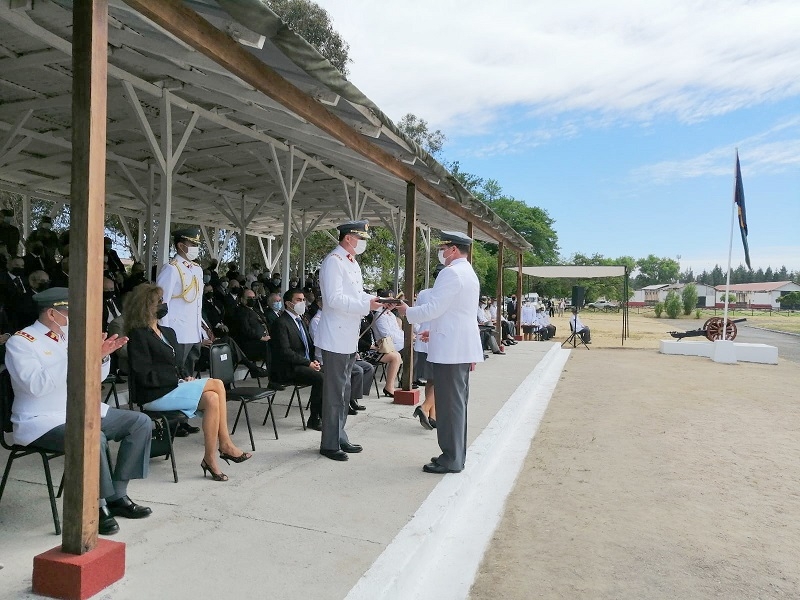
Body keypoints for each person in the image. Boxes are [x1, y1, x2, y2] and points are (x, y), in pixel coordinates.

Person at [5, 287, 151, 535]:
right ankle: (97, 505)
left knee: (140, 423)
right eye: (69, 312)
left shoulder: (71, 336)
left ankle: (117, 495)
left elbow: (96, 377)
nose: (75, 318)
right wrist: (78, 357)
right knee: (94, 437)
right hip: (41, 421)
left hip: (80, 410)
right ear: (52, 313)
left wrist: (101, 358)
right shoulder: (21, 341)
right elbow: (36, 385)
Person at [125, 284, 252, 482]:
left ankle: (210, 459)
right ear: (145, 306)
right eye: (158, 302)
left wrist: (186, 377)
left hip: (174, 388)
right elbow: (143, 374)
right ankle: (225, 444)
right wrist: (177, 381)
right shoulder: (138, 335)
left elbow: (177, 365)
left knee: (211, 398)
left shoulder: (168, 332)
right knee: (217, 384)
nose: (163, 304)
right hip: (154, 395)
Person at [396, 231, 484, 474]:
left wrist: (407, 312)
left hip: (451, 351)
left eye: (443, 247)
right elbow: (452, 313)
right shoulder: (466, 271)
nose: (441, 252)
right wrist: (432, 333)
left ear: (453, 249)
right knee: (454, 404)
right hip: (455, 345)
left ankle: (452, 458)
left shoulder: (451, 272)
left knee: (450, 405)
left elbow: (434, 308)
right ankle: (454, 454)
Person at [314, 220, 381, 461]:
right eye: (360, 238)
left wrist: (377, 300)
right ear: (348, 238)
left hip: (348, 335)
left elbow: (357, 294)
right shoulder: (334, 262)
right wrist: (365, 304)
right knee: (334, 393)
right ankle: (329, 443)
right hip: (335, 336)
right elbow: (333, 299)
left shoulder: (352, 263)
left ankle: (340, 435)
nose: (362, 243)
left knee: (344, 392)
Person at [308, 294, 373, 420]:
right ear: (321, 304)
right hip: (325, 358)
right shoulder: (317, 320)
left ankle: (351, 399)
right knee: (356, 371)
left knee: (367, 367)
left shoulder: (335, 318)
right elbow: (321, 342)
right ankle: (345, 403)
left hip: (344, 354)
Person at [269, 289, 324, 430]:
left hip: (304, 364)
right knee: (321, 379)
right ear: (288, 303)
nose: (303, 303)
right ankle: (314, 418)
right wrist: (308, 363)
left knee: (329, 373)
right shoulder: (281, 323)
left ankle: (326, 414)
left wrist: (314, 361)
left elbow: (308, 346)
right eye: (298, 300)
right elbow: (285, 352)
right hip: (287, 368)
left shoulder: (301, 321)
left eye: (303, 300)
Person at [156, 227, 204, 373]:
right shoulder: (171, 269)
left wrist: (201, 330)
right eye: (192, 244)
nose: (195, 248)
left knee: (189, 375)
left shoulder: (197, 269)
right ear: (180, 246)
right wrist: (164, 333)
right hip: (177, 333)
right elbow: (161, 303)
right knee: (176, 374)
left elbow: (197, 304)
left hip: (194, 332)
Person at [411, 264, 443, 430]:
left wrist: (420, 331)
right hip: (437, 342)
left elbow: (416, 316)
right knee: (440, 380)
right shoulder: (446, 294)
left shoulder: (424, 293)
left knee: (432, 380)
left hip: (423, 342)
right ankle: (424, 407)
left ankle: (432, 415)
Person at [371, 289, 404, 397]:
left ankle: (407, 380)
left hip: (393, 345)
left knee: (411, 349)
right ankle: (390, 386)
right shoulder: (380, 316)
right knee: (398, 355)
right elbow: (387, 335)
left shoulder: (391, 315)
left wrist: (407, 338)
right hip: (381, 347)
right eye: (389, 302)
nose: (392, 305)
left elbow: (398, 331)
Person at [230, 288, 271, 363]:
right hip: (250, 344)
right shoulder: (240, 312)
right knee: (270, 346)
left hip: (264, 340)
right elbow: (246, 329)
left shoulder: (256, 310)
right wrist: (261, 337)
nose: (252, 300)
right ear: (242, 299)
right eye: (249, 298)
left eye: (253, 298)